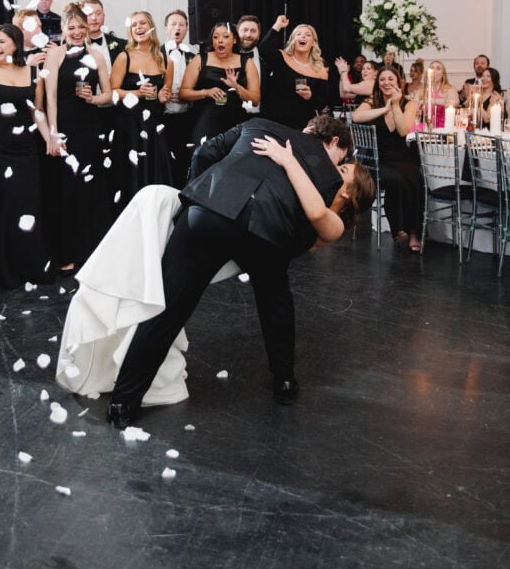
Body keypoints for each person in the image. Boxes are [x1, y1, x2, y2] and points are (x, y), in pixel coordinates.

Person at [106, 115, 375, 428]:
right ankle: (285, 380)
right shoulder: (327, 176)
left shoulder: (259, 124)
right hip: (267, 235)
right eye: (344, 158)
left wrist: (203, 197)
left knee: (167, 309)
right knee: (276, 303)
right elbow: (306, 227)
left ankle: (122, 402)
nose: (341, 163)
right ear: (332, 142)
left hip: (209, 212)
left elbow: (203, 153)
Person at [0, 24, 52, 287]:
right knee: (4, 203)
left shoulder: (31, 71)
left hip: (25, 148)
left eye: (1, 41)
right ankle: (2, 270)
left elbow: (36, 111)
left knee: (29, 203)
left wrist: (49, 138)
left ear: (15, 44)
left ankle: (30, 267)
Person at [43, 4, 113, 275]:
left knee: (90, 189)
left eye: (80, 28)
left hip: (89, 127)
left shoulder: (96, 56)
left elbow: (108, 94)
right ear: (63, 29)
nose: (76, 32)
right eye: (71, 28)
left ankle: (93, 252)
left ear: (87, 29)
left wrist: (93, 98)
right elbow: (49, 98)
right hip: (65, 128)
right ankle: (68, 252)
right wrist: (53, 133)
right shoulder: (56, 55)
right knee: (67, 191)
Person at [352, 64, 422, 252]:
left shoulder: (410, 103)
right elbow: (357, 117)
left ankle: (414, 231)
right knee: (396, 180)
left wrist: (395, 104)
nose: (386, 82)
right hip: (377, 161)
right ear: (378, 82)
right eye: (382, 79)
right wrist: (384, 109)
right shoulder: (371, 101)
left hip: (401, 157)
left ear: (399, 82)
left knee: (416, 178)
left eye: (390, 79)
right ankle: (398, 230)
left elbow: (403, 129)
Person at [110, 11, 175, 207]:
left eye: (142, 23)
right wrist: (137, 93)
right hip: (130, 125)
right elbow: (113, 91)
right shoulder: (124, 57)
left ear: (151, 27)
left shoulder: (166, 59)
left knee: (156, 173)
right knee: (132, 175)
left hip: (155, 126)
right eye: (134, 25)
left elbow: (165, 93)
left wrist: (164, 96)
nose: (138, 27)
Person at [180, 21, 260, 145]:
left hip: (235, 123)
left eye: (225, 36)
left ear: (234, 40)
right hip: (205, 121)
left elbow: (255, 100)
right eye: (216, 37)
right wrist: (206, 92)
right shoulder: (200, 59)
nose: (220, 40)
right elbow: (183, 94)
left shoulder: (247, 62)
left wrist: (237, 87)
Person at [261, 23, 329, 127]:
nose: (303, 36)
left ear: (313, 43)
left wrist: (310, 97)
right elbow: (263, 49)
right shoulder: (281, 57)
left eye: (308, 35)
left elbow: (323, 102)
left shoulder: (320, 70)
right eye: (298, 34)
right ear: (292, 40)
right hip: (274, 121)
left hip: (302, 125)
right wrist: (278, 25)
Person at [162, 9, 197, 187]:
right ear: (165, 28)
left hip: (186, 118)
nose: (178, 28)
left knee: (184, 162)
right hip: (161, 117)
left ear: (186, 30)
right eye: (174, 24)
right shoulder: (157, 54)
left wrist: (188, 97)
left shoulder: (194, 57)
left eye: (182, 25)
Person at [81, 0, 127, 73]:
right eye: (89, 14)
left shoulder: (122, 45)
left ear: (103, 16)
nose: (94, 18)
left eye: (98, 13)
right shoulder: (72, 47)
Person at [422, 60, 459, 127]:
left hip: (444, 125)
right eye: (432, 68)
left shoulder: (449, 89)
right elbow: (415, 104)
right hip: (425, 125)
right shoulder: (423, 89)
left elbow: (455, 103)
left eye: (438, 68)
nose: (434, 71)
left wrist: (433, 101)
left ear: (443, 74)